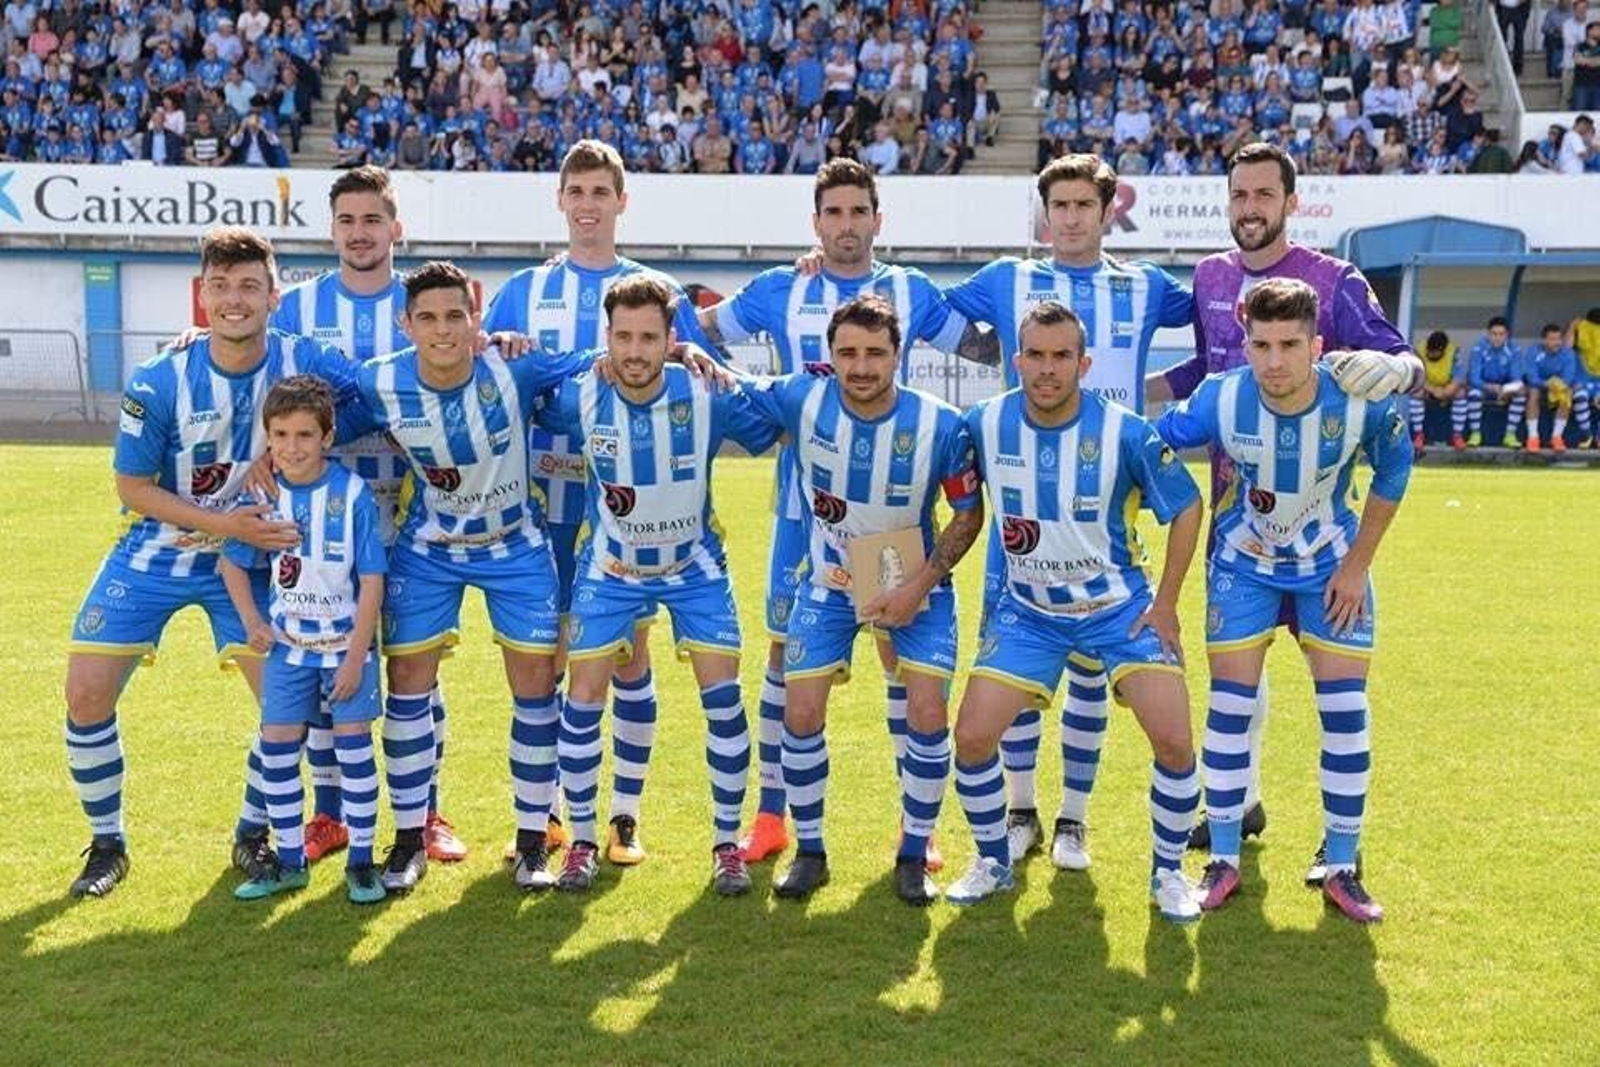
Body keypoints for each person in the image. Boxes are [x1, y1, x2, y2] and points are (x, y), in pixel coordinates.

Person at [694, 159, 999, 870]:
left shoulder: (911, 292)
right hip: (805, 516)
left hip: (894, 518)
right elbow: (700, 328)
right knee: (784, 660)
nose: (846, 225)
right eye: (833, 213)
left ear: (877, 220)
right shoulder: (782, 287)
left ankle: (911, 827)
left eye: (858, 211)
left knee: (904, 659)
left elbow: (982, 343)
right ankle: (772, 816)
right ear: (816, 222)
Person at [62, 226, 376, 899]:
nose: (235, 300)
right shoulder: (161, 375)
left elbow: (369, 403)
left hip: (255, 562)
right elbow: (133, 487)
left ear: (274, 294)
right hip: (160, 547)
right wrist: (221, 521)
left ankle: (252, 833)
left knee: (284, 709)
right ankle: (107, 842)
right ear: (203, 295)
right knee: (86, 692)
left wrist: (300, 452)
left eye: (249, 286)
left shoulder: (303, 359)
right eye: (222, 286)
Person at [1145, 141, 1422, 882]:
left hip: (1322, 509)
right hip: (1240, 514)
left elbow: (1395, 364)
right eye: (1239, 195)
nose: (1249, 209)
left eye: (1264, 195)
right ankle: (1247, 804)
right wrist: (1132, 397)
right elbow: (1207, 374)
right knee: (1239, 677)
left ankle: (1340, 846)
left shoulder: (1334, 281)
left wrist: (1402, 368)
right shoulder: (1208, 275)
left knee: (1334, 692)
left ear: (1290, 202)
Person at [938, 154, 1193, 871]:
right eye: (1061, 205)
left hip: (1107, 496)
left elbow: (1224, 313)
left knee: (1089, 671)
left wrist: (1168, 395)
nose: (1073, 218)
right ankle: (1020, 810)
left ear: (1109, 210)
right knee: (1016, 668)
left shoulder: (1143, 287)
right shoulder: (1004, 279)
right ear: (1044, 213)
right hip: (1020, 498)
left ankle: (1073, 820)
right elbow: (926, 312)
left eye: (1086, 204)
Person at [481, 141, 720, 869]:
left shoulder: (656, 288)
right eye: (576, 190)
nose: (588, 203)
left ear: (622, 201)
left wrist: (696, 355)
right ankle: (551, 812)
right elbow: (487, 374)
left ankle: (624, 816)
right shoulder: (524, 290)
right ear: (560, 200)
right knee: (549, 659)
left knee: (628, 655)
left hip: (631, 508)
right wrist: (500, 344)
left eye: (600, 191)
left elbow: (696, 379)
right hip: (539, 505)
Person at [945, 301, 1206, 923]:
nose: (1047, 368)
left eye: (1062, 356)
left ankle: (1168, 872)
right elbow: (951, 491)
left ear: (1084, 363)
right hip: (1029, 612)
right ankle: (992, 859)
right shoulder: (982, 423)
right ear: (1017, 359)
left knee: (1173, 740)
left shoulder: (1126, 432)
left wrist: (1166, 603)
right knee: (973, 737)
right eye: (1035, 354)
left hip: (1118, 611)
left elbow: (1188, 506)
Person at [535, 276, 781, 895]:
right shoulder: (580, 394)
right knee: (583, 698)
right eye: (623, 337)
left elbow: (774, 418)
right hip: (609, 568)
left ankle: (726, 844)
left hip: (694, 568)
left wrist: (708, 361)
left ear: (672, 340)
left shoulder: (705, 391)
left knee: (724, 703)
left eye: (651, 338)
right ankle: (586, 841)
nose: (635, 350)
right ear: (607, 339)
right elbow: (532, 391)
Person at [738, 294, 986, 905]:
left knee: (927, 711)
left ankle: (913, 852)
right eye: (847, 352)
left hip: (907, 571)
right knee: (799, 712)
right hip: (829, 577)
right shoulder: (804, 398)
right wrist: (688, 347)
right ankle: (812, 851)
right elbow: (733, 387)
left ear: (899, 355)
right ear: (830, 356)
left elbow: (967, 511)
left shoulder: (940, 424)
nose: (862, 365)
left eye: (876, 353)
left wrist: (917, 585)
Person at [357, 261, 596, 894]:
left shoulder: (515, 368)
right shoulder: (378, 382)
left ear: (476, 321)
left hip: (516, 547)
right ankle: (408, 841)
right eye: (428, 319)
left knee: (537, 684)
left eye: (455, 317)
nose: (442, 331)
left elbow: (598, 362)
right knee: (408, 679)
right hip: (427, 550)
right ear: (406, 324)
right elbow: (310, 407)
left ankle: (530, 844)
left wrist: (679, 343)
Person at [270, 167, 473, 863]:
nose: (360, 232)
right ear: (333, 230)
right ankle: (330, 815)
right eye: (347, 221)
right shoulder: (295, 311)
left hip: (414, 517)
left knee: (417, 670)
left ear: (396, 227)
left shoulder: (422, 305)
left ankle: (428, 811)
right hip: (316, 526)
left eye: (372, 219)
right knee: (328, 663)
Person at [220, 376, 388, 904]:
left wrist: (357, 658)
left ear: (327, 437)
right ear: (268, 438)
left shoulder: (352, 494)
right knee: (276, 749)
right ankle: (288, 861)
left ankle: (361, 861)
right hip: (289, 650)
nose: (292, 447)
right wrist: (252, 622)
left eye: (304, 436)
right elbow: (232, 562)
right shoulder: (262, 494)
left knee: (355, 749)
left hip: (345, 648)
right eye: (281, 435)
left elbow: (372, 581)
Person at [1465, 315, 1527, 449]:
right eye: (1494, 334)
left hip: (1503, 388)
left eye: (1501, 334)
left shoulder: (1514, 349)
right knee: (1473, 393)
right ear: (1488, 334)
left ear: (1507, 335)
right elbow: (1474, 378)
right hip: (1483, 387)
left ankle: (1510, 435)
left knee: (1521, 393)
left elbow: (1516, 378)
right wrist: (1489, 387)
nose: (1497, 337)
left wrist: (1506, 390)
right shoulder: (1479, 348)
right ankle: (1475, 434)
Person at [1411, 330, 1469, 452]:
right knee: (1416, 393)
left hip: (1447, 388)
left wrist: (1448, 390)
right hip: (1427, 387)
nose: (1430, 354)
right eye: (1429, 350)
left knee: (1461, 393)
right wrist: (1433, 390)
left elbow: (1459, 377)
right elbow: (1416, 376)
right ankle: (1418, 435)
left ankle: (1457, 435)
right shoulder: (1418, 351)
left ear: (1443, 350)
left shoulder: (1453, 352)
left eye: (1434, 352)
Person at [1524, 323, 1579, 452]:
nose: (1557, 342)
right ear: (1544, 340)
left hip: (1558, 387)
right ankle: (1533, 437)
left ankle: (1556, 437)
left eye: (1559, 339)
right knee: (1533, 393)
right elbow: (1531, 376)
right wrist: (1546, 384)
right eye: (1552, 339)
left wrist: (1557, 385)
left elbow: (1568, 377)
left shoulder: (1568, 353)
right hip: (1539, 385)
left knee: (1568, 393)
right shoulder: (1534, 351)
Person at [1566, 306, 1600, 446]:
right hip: (1582, 381)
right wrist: (1572, 327)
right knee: (1580, 397)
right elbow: (1565, 348)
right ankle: (1587, 436)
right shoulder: (1578, 334)